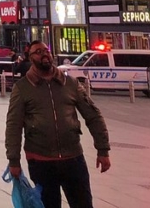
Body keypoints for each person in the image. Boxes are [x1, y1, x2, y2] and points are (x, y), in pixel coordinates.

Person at [6, 41, 111, 208]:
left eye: (46, 50)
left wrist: (103, 149)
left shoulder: (70, 84)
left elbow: (93, 115)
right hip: (41, 161)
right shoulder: (23, 88)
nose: (44, 54)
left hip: (73, 159)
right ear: (30, 58)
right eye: (38, 52)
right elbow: (14, 125)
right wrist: (14, 160)